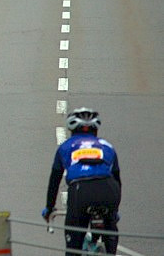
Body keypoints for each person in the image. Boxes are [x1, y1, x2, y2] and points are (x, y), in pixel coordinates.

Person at [42, 108, 121, 256]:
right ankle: (110, 248)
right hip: (109, 189)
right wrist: (114, 211)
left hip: (81, 191)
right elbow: (117, 179)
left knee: (74, 244)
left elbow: (54, 181)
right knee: (110, 227)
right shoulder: (108, 146)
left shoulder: (65, 147)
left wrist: (49, 208)